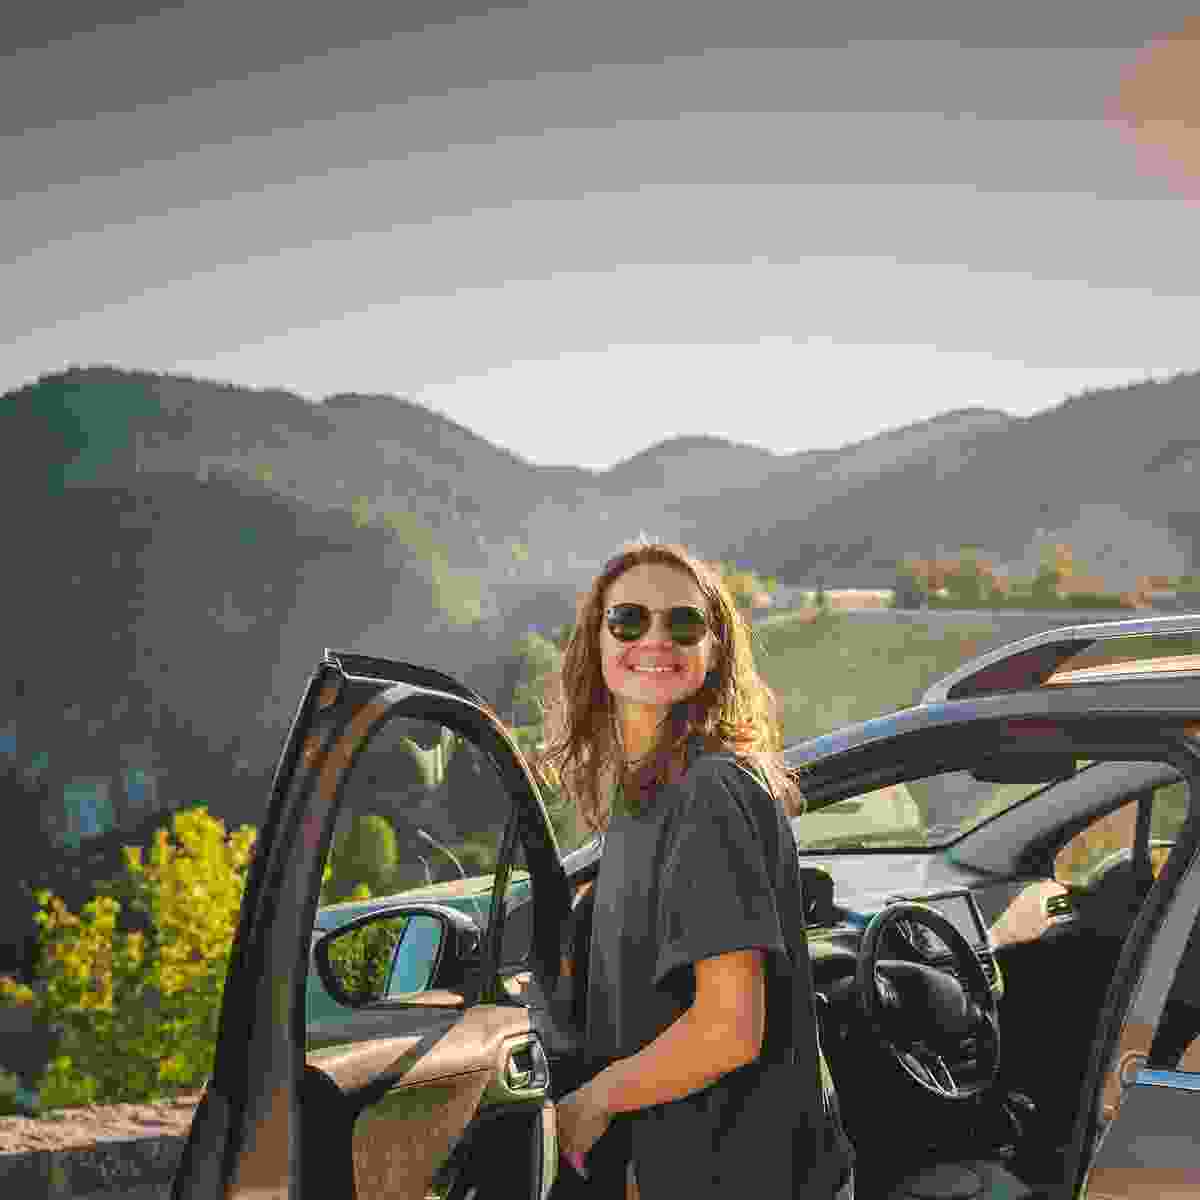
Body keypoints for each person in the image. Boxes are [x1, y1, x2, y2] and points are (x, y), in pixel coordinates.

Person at [537, 540, 854, 1200]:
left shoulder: (708, 793)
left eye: (683, 623)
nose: (655, 639)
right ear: (596, 643)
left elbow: (729, 1028)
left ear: (715, 650)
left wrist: (594, 1103)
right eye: (629, 620)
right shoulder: (643, 799)